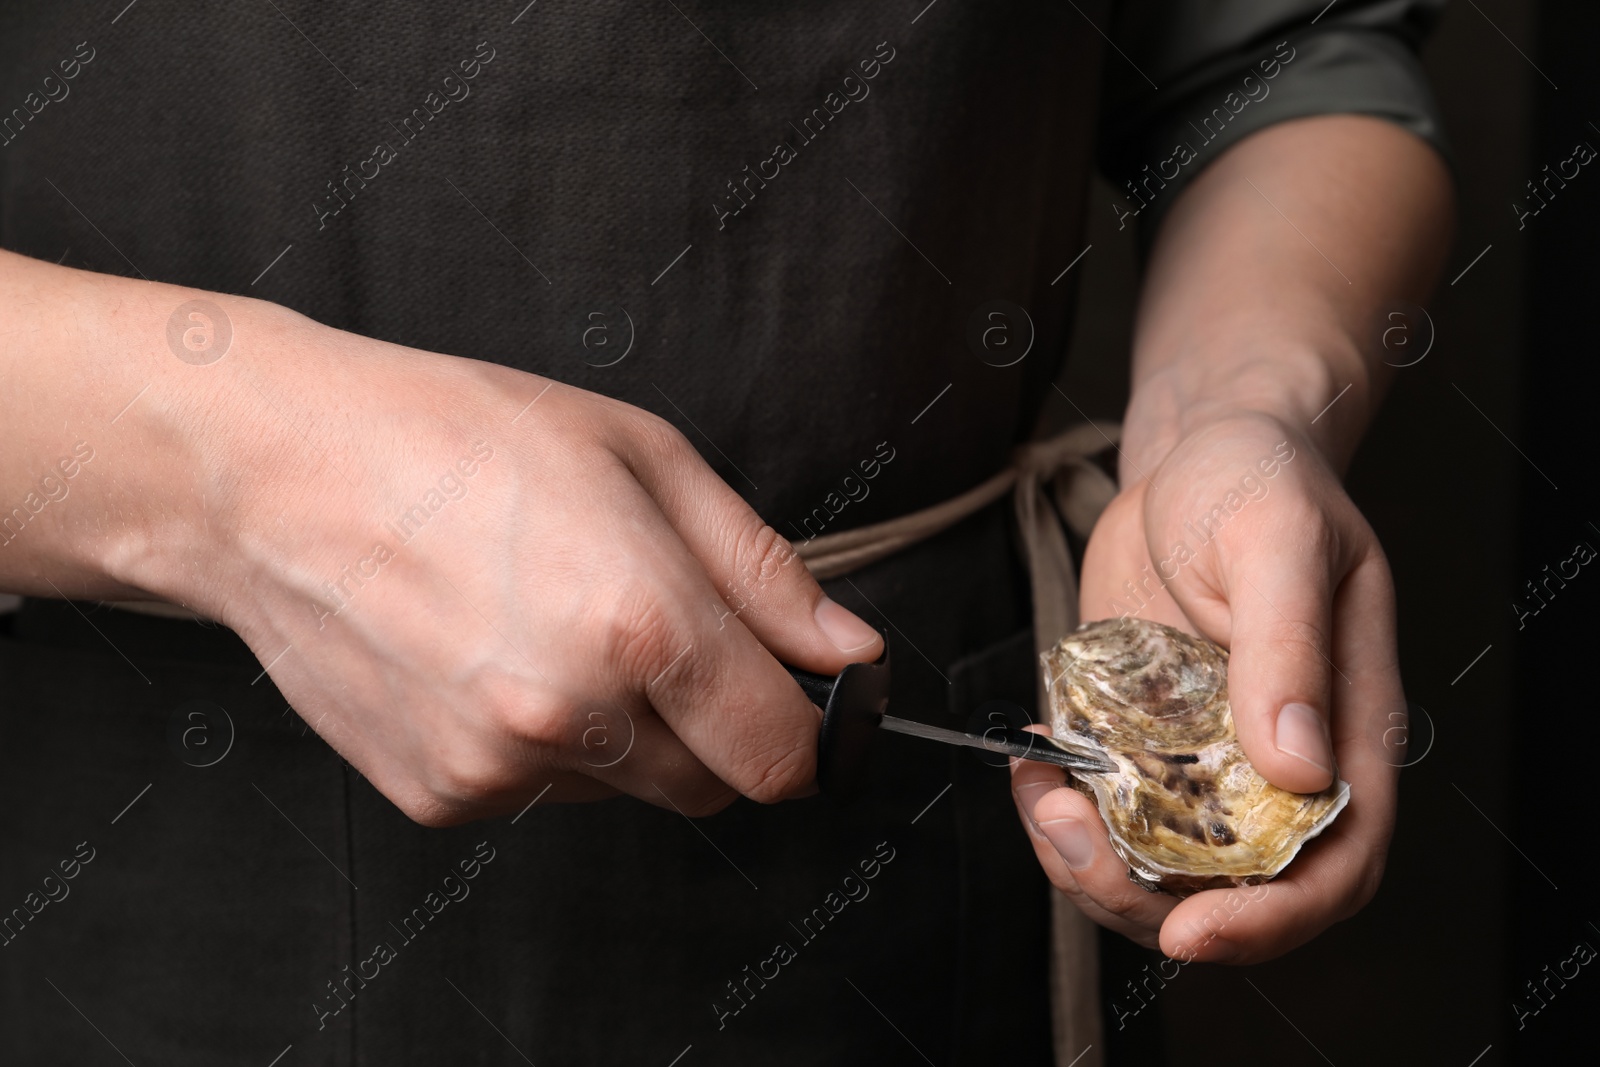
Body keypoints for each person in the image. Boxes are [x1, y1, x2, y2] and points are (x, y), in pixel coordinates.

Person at [0, 1, 1451, 1063]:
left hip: (915, 886)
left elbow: (1284, 63)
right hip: (122, 882)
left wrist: (1241, 414)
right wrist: (237, 476)